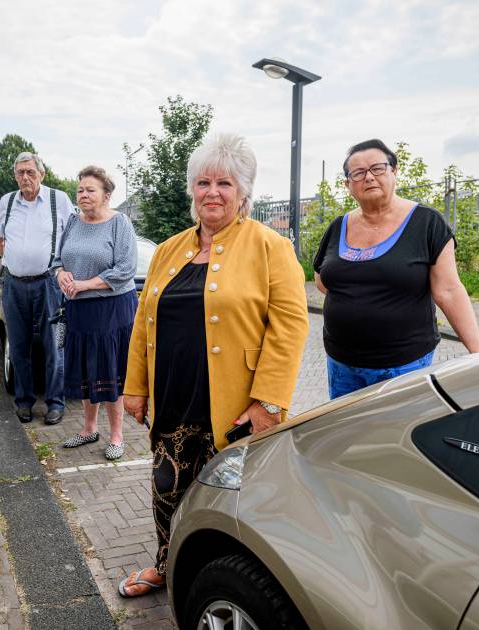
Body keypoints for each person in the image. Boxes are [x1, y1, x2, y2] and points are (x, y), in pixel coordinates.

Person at [118, 133, 309, 597]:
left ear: (243, 192)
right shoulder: (168, 250)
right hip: (174, 396)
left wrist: (268, 401)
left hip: (237, 405)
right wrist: (135, 386)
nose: (213, 192)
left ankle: (232, 585)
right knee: (168, 486)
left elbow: (289, 327)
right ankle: (166, 564)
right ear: (193, 190)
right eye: (203, 182)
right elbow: (144, 322)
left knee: (231, 501)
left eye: (225, 183)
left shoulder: (271, 247)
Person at [313, 139, 479, 400]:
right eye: (358, 173)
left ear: (394, 171)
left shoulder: (426, 223)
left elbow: (449, 290)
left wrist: (478, 354)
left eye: (377, 168)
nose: (369, 177)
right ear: (348, 185)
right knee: (347, 426)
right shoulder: (338, 226)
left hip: (403, 364)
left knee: (396, 425)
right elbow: (322, 279)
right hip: (342, 363)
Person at [54, 166, 138, 461]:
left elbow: (126, 268)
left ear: (106, 195)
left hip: (112, 310)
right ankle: (89, 428)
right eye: (80, 190)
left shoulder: (119, 223)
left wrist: (85, 284)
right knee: (87, 370)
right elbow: (57, 259)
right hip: (79, 309)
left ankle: (116, 435)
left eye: (90, 190)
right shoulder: (72, 222)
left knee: (111, 372)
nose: (83, 195)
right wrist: (61, 274)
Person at [0, 152, 74, 425]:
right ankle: (24, 402)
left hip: (49, 283)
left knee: (54, 345)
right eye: (20, 172)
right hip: (14, 283)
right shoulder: (7, 201)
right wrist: (14, 258)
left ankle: (55, 403)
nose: (25, 177)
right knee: (18, 346)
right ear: (15, 176)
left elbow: (72, 237)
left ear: (42, 174)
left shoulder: (58, 199)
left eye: (30, 172)